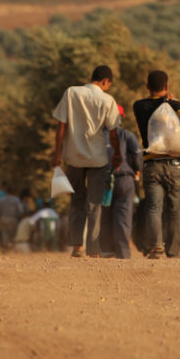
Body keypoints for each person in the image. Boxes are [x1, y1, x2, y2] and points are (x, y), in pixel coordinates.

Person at [52, 65, 122, 258]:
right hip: (97, 159)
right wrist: (117, 153)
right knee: (94, 204)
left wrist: (56, 154)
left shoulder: (71, 93)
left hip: (73, 157)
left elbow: (61, 127)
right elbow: (114, 134)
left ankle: (77, 246)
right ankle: (93, 248)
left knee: (76, 201)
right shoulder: (107, 100)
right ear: (106, 81)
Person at [133, 70, 180, 259]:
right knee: (175, 207)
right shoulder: (175, 105)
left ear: (147, 86)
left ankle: (156, 247)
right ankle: (174, 251)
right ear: (166, 87)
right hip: (175, 163)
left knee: (153, 207)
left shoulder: (139, 106)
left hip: (151, 163)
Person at [98, 105, 143, 259]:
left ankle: (106, 251)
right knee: (123, 217)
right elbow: (137, 155)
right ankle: (123, 254)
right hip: (124, 179)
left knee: (105, 216)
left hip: (103, 181)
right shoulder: (126, 135)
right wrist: (137, 168)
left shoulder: (96, 136)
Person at [0, 183, 26, 250]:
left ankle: (5, 250)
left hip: (3, 219)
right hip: (13, 220)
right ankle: (13, 250)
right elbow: (21, 211)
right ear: (13, 192)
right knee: (13, 235)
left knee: (4, 235)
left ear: (6, 191)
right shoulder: (16, 200)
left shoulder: (2, 200)